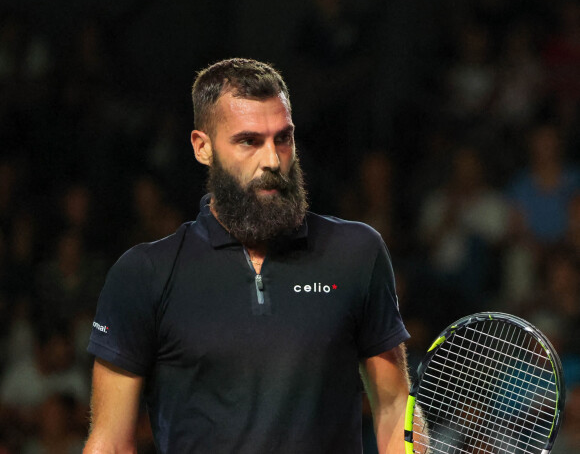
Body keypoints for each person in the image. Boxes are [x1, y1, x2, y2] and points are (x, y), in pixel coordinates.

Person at [83, 58, 410, 454]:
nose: (272, 160)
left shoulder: (357, 252)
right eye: (249, 141)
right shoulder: (144, 274)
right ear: (202, 147)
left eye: (283, 138)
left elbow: (393, 407)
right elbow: (111, 444)